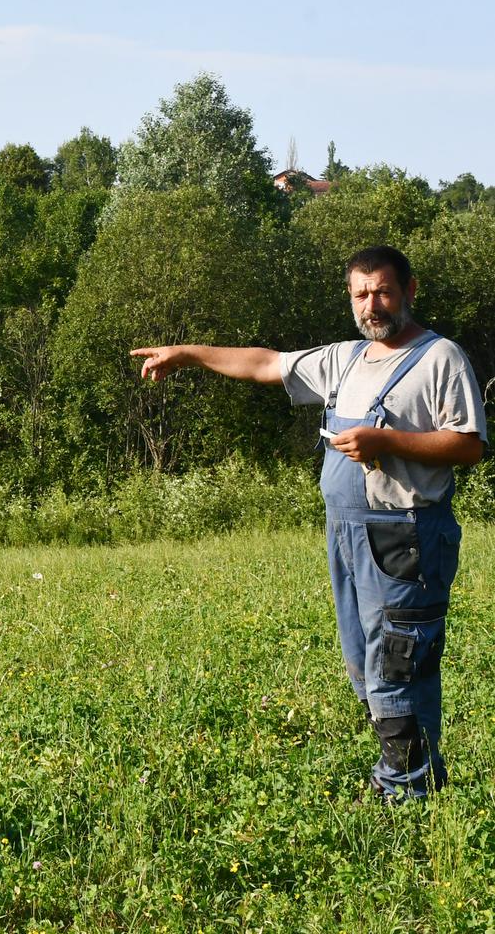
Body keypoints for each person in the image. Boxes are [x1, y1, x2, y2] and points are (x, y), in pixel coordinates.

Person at [130, 245, 485, 801]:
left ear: (410, 290)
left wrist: (385, 441)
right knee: (365, 664)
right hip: (347, 533)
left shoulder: (441, 358)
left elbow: (468, 446)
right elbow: (266, 363)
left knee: (399, 658)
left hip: (406, 534)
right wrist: (188, 354)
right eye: (361, 294)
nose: (372, 305)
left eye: (384, 291)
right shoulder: (345, 359)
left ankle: (408, 794)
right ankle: (415, 777)